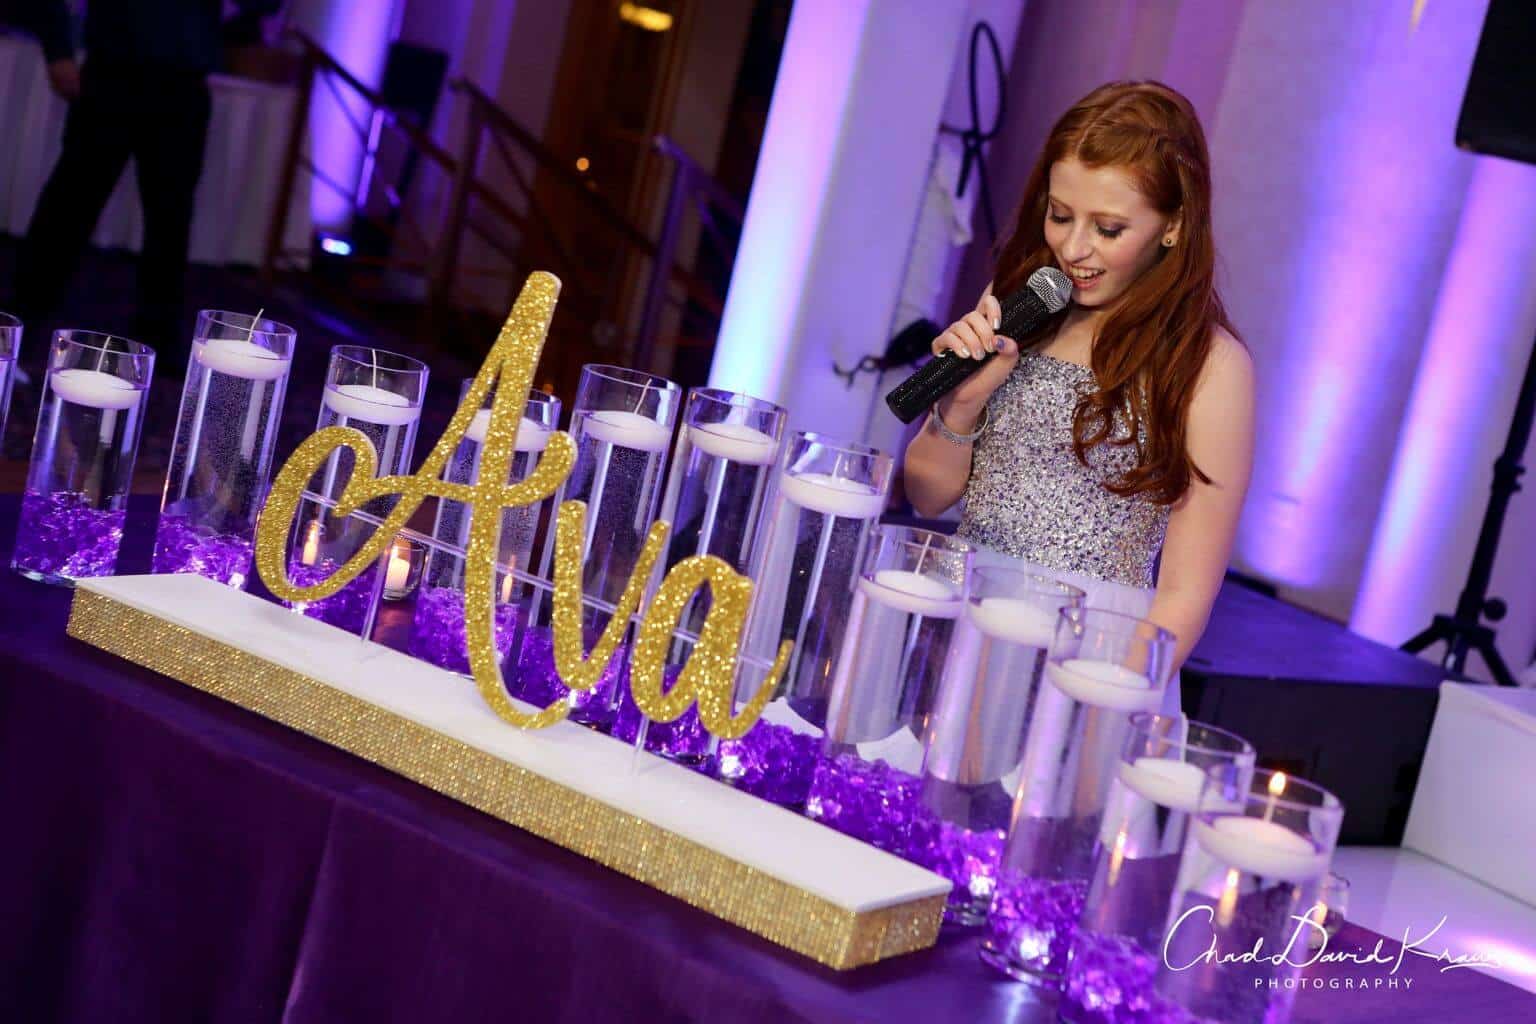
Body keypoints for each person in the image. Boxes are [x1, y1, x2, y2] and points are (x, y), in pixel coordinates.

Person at [903, 81, 1255, 708]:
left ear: (1173, 225)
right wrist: (961, 404)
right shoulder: (1023, 301)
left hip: (1092, 658)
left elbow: (1185, 594)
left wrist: (1097, 705)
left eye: (1109, 228)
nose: (1073, 248)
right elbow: (927, 496)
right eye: (1060, 215)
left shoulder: (1209, 364)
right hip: (959, 625)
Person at [11, 0, 277, 372]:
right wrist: (58, 50)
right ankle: (16, 328)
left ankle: (157, 344)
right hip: (113, 72)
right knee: (69, 206)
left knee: (170, 220)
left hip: (184, 83)